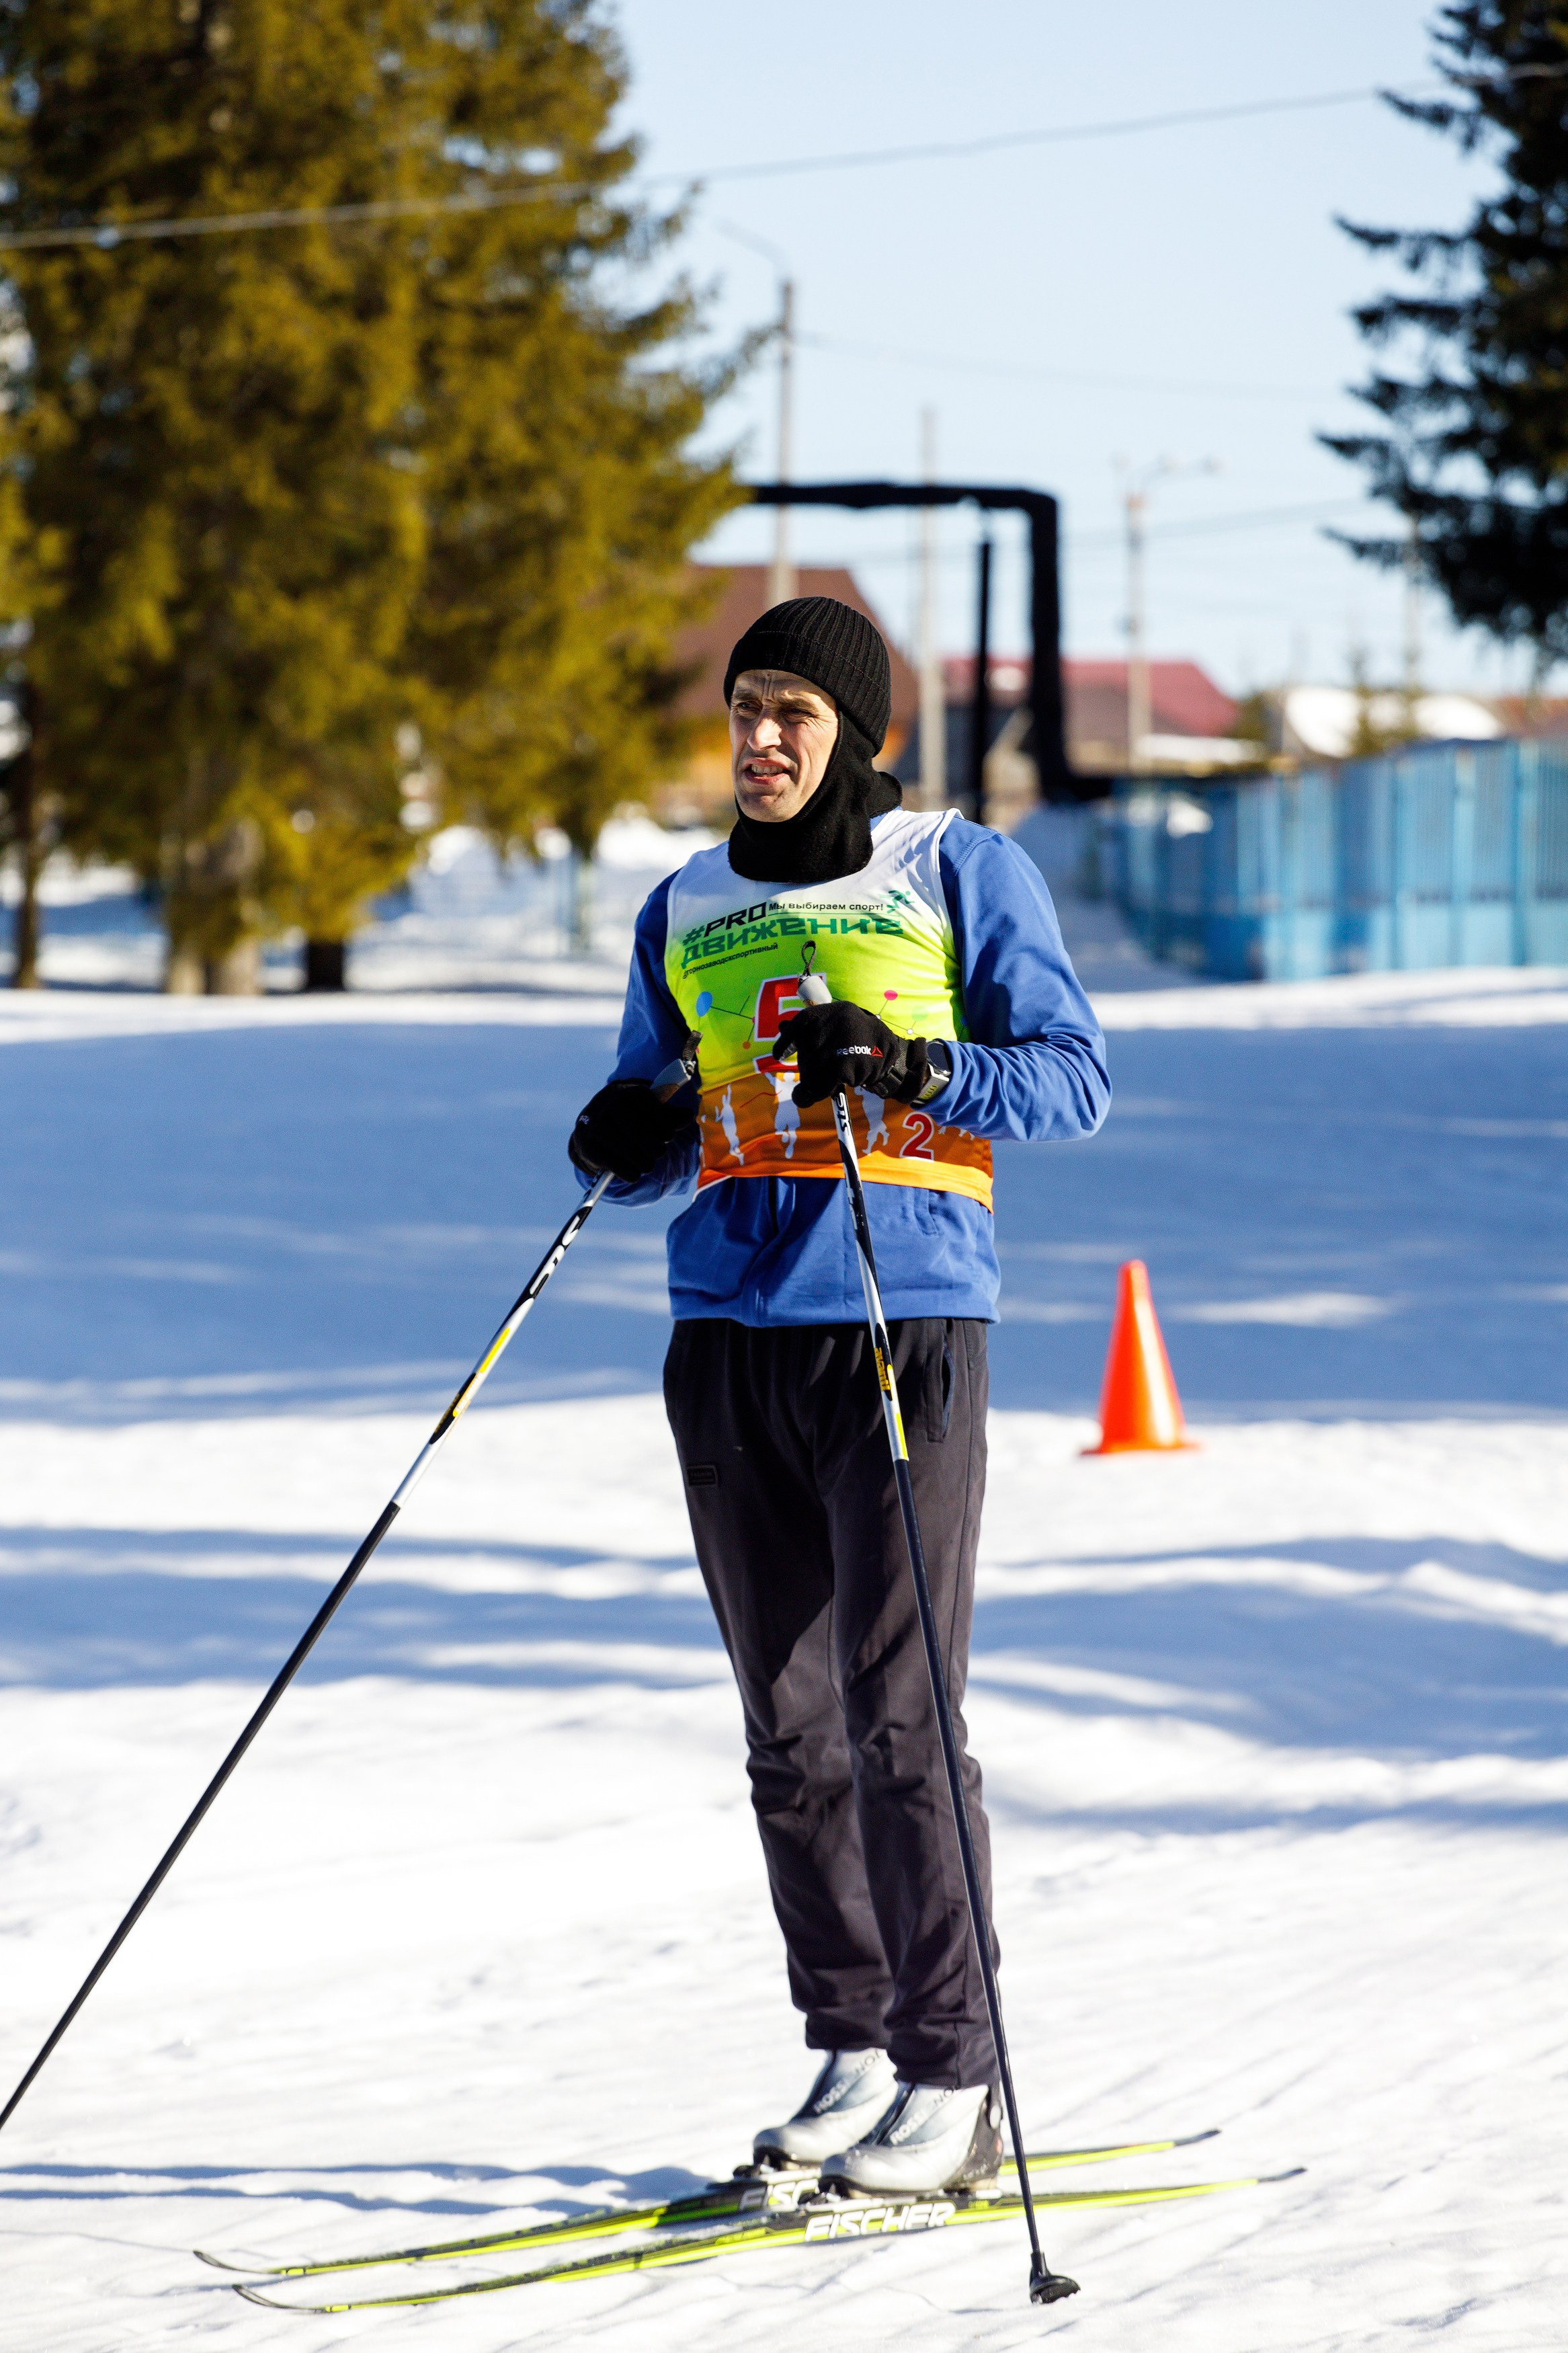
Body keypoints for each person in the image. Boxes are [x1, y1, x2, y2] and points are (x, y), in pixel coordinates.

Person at [568, 596, 1108, 2194]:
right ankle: (855, 2040)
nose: (761, 738)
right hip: (726, 1332)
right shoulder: (684, 899)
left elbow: (1073, 1077)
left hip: (901, 1314)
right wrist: (621, 1135)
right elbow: (661, 1124)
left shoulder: (953, 867)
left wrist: (922, 1065)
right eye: (745, 707)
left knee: (897, 1711)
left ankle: (956, 2069)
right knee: (788, 1728)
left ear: (857, 732)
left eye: (796, 710)